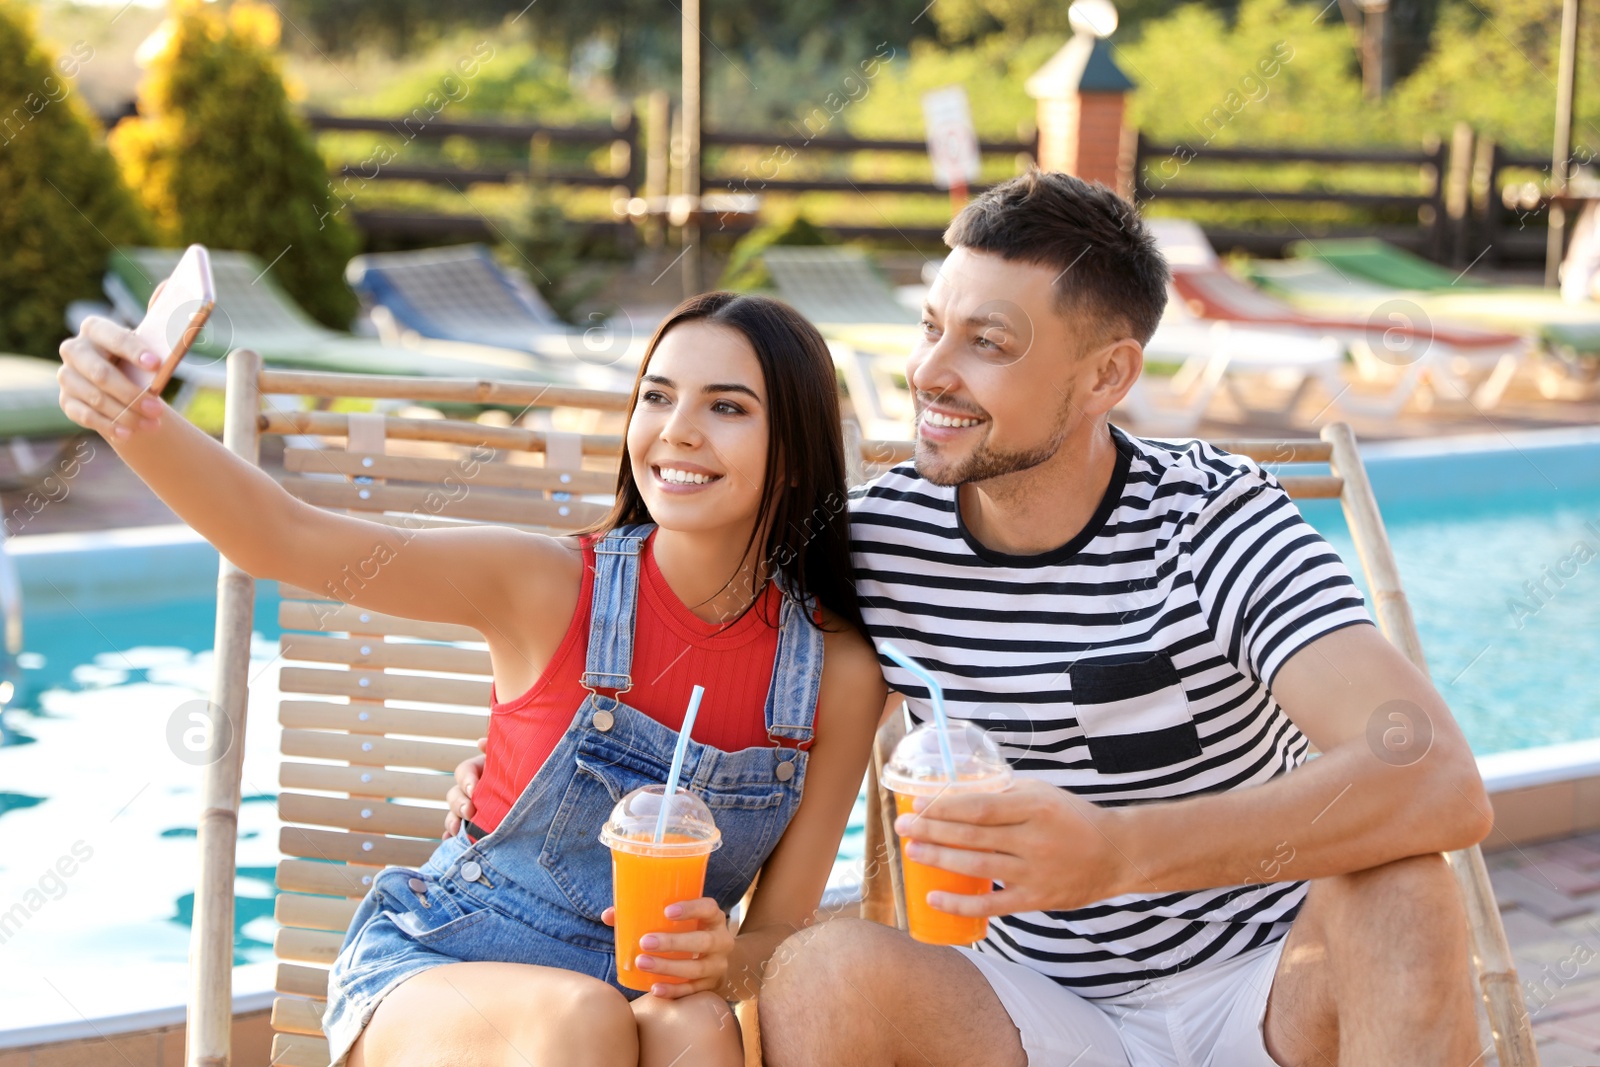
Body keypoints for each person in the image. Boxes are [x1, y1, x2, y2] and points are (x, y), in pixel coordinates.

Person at [446, 169, 1495, 1067]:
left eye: (986, 341)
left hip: (1264, 989)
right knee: (824, 969)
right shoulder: (880, 539)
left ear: (1105, 376)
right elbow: (686, 620)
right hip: (1037, 1012)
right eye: (931, 326)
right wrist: (510, 773)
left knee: (1405, 886)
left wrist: (1120, 852)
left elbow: (1433, 772)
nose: (930, 374)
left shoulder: (1214, 520)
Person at [54, 290, 887, 1067]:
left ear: (793, 453)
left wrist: (723, 956)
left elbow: (777, 932)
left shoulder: (833, 671)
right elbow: (287, 539)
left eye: (727, 406)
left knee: (695, 1022)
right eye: (658, 396)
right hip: (441, 971)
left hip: (634, 1005)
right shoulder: (546, 584)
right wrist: (134, 419)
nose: (677, 429)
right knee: (583, 1017)